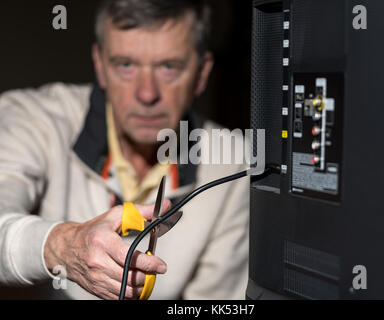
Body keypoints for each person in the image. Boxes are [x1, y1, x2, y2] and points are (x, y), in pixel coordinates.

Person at [0, 0, 250, 300]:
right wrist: (62, 245)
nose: (147, 93)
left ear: (202, 73)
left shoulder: (234, 161)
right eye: (126, 65)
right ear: (100, 65)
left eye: (169, 67)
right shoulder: (32, 118)